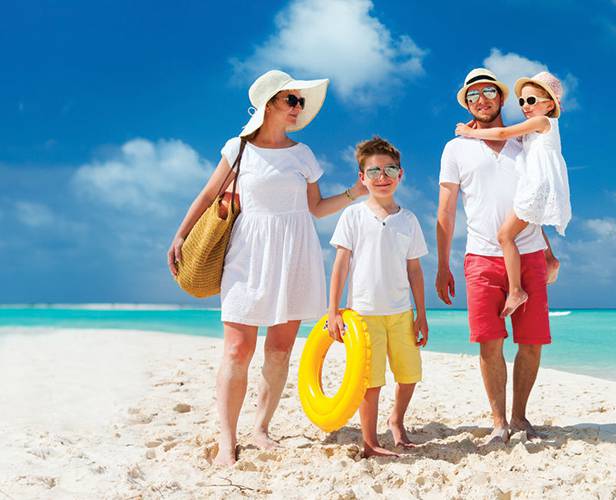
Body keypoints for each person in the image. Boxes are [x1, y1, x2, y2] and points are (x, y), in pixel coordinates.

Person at [167, 70, 366, 466]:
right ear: (270, 104)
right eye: (291, 100)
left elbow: (315, 208)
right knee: (238, 350)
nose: (298, 108)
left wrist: (353, 194)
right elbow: (209, 194)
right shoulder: (238, 149)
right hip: (247, 254)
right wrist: (179, 235)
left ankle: (260, 428)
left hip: (295, 254)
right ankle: (227, 440)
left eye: (300, 102)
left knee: (279, 350)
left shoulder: (303, 155)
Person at [436, 68, 557, 443]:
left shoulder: (528, 141)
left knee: (532, 341)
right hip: (482, 257)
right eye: (472, 95)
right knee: (490, 342)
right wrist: (442, 265)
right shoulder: (456, 147)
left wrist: (550, 252)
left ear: (501, 98)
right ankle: (499, 421)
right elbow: (446, 209)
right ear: (467, 102)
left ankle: (520, 416)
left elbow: (535, 202)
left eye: (488, 92)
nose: (481, 100)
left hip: (530, 253)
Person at [327, 137, 429, 457]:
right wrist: (334, 311)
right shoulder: (353, 217)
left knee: (410, 374)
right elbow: (341, 265)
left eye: (389, 170)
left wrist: (421, 314)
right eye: (374, 172)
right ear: (362, 178)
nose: (382, 177)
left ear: (400, 174)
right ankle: (370, 441)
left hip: (400, 312)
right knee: (370, 381)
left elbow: (415, 270)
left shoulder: (409, 220)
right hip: (364, 313)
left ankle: (396, 421)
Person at [455, 71, 571, 317]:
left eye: (531, 101)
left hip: (537, 185)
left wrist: (470, 132)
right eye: (521, 102)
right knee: (524, 223)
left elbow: (502, 134)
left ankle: (516, 290)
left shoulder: (542, 122)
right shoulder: (534, 129)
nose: (525, 106)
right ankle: (549, 258)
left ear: (549, 104)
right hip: (536, 184)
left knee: (505, 235)